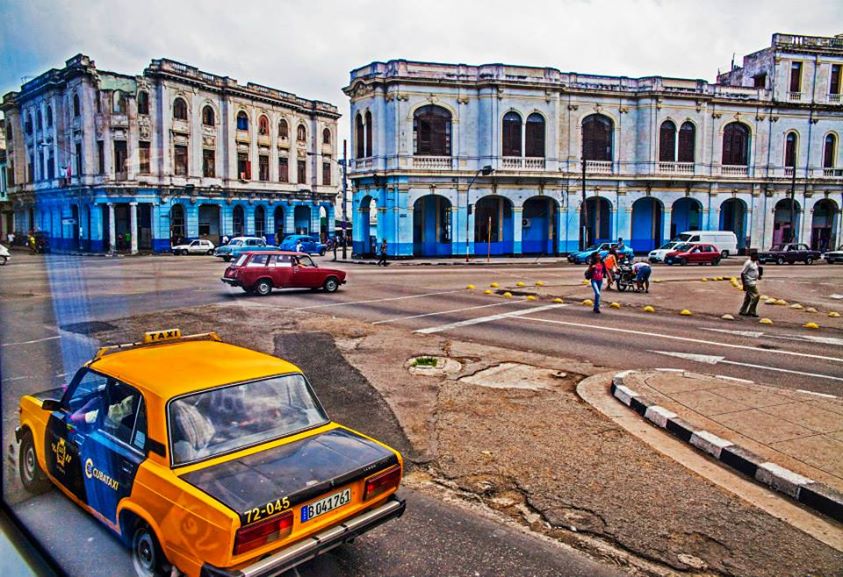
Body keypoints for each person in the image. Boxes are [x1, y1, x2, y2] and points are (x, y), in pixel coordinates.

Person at [739, 250, 763, 317]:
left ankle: (742, 311)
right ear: (752, 256)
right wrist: (744, 285)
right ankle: (752, 311)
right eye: (756, 256)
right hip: (749, 283)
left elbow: (755, 270)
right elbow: (742, 273)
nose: (757, 257)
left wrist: (758, 276)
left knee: (748, 298)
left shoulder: (755, 262)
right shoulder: (748, 263)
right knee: (756, 296)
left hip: (753, 282)